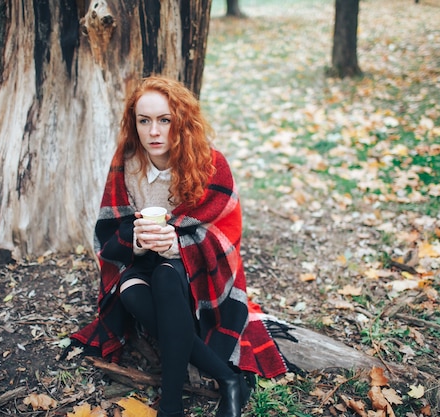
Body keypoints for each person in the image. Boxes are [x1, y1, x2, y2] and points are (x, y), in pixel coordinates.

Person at [69, 76, 288, 417]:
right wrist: (137, 241)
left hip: (195, 268)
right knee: (130, 292)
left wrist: (177, 244)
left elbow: (225, 234)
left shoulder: (209, 164)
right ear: (134, 123)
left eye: (164, 120)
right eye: (144, 120)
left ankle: (170, 404)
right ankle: (228, 378)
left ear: (181, 121)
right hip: (143, 258)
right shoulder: (127, 162)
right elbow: (110, 232)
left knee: (167, 279)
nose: (154, 131)